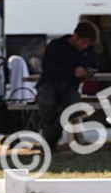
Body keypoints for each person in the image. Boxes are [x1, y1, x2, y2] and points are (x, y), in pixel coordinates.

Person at [36, 22, 96, 151]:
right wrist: (72, 71)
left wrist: (89, 71)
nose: (85, 47)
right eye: (83, 43)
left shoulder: (89, 51)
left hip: (70, 87)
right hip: (50, 84)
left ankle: (50, 134)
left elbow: (93, 65)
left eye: (87, 44)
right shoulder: (56, 46)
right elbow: (48, 67)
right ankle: (51, 136)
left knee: (73, 106)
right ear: (75, 36)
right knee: (47, 102)